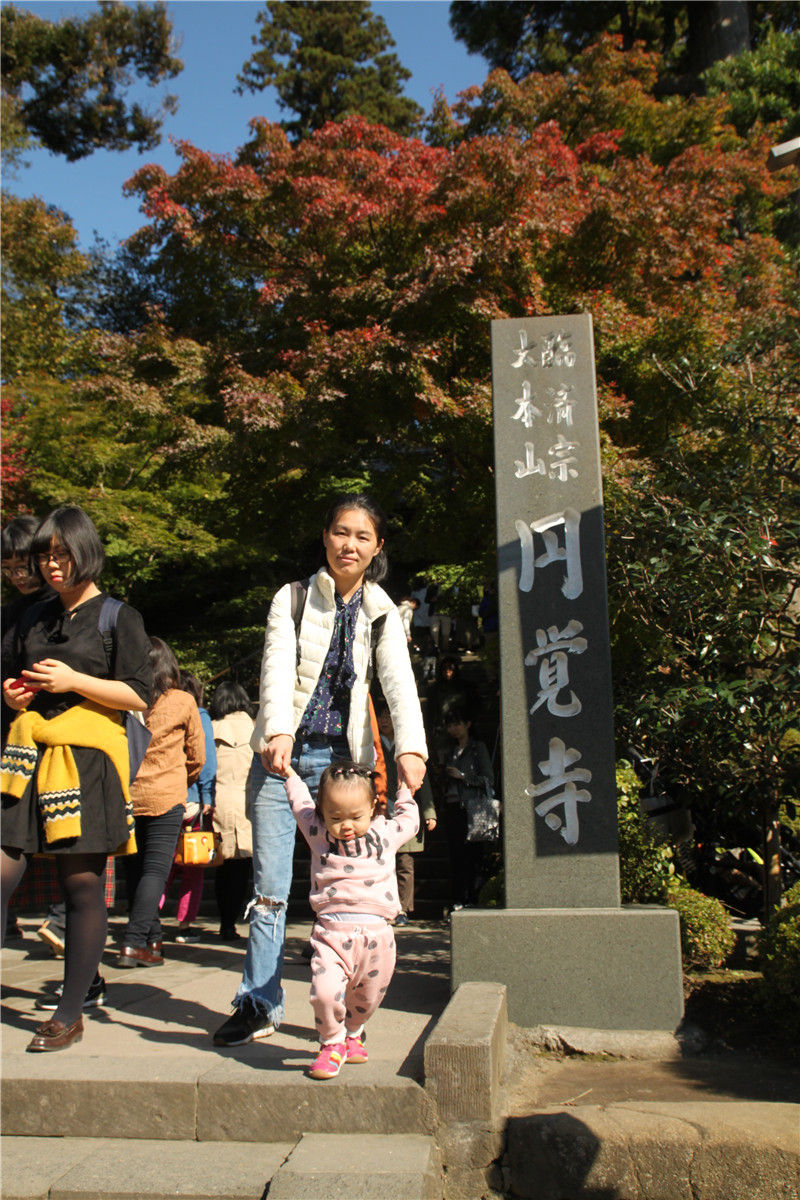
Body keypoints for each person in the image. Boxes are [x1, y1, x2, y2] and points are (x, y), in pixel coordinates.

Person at [212, 492, 427, 1047]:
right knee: (270, 890)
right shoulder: (293, 597)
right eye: (340, 532)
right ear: (325, 536)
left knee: (350, 891)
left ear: (377, 546)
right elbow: (277, 665)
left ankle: (347, 1011)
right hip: (280, 762)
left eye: (362, 536)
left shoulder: (382, 611)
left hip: (343, 769)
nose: (348, 544)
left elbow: (398, 683)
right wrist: (277, 729)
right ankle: (259, 1001)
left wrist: (412, 749)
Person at [1, 505, 152, 1051]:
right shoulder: (26, 615)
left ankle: (70, 1011)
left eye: (61, 554)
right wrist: (12, 693)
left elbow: (140, 694)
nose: (51, 565)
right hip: (27, 754)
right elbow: (8, 674)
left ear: (85, 550)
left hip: (88, 760)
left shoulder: (117, 616)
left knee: (81, 884)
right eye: (45, 555)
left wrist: (74, 678)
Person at [285, 760, 419, 1079]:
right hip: (331, 932)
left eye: (356, 816)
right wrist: (290, 775)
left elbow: (410, 821)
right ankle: (332, 1044)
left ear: (373, 806)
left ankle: (354, 1033)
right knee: (324, 990)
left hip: (378, 938)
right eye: (335, 817)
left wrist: (405, 789)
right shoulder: (318, 833)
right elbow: (301, 805)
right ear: (322, 812)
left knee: (368, 997)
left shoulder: (385, 832)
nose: (346, 825)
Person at [117, 638, 204, 967]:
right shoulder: (182, 700)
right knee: (155, 871)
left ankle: (152, 941)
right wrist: (184, 779)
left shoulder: (127, 700)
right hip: (167, 795)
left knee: (137, 871)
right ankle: (133, 942)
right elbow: (197, 755)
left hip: (129, 793)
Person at [160, 671, 216, 944]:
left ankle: (149, 917)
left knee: (161, 864)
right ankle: (185, 924)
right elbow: (205, 760)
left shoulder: (157, 709)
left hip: (161, 796)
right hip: (191, 798)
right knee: (193, 865)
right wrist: (207, 795)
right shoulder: (199, 715)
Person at [375, 699, 436, 925]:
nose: (384, 721)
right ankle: (383, 906)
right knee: (381, 860)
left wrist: (429, 811)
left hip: (404, 805)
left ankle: (403, 908)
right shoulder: (372, 743)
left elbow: (423, 779)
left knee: (405, 862)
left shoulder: (406, 744)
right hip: (378, 806)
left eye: (388, 716)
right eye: (381, 716)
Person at [208, 681, 254, 941]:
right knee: (243, 868)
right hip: (248, 803)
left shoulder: (212, 729)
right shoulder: (255, 727)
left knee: (222, 867)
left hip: (219, 802)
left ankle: (224, 921)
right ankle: (235, 923)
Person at [440, 707, 495, 910]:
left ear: (468, 724)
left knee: (473, 855)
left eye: (458, 724)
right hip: (453, 806)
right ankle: (458, 898)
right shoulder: (451, 750)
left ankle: (473, 897)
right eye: (450, 725)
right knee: (456, 855)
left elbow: (488, 779)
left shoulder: (476, 748)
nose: (454, 729)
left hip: (473, 807)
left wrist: (463, 777)